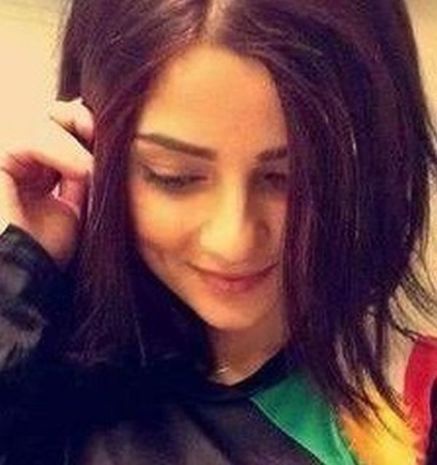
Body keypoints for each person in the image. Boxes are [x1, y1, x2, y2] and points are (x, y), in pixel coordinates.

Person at [0, 0, 436, 463]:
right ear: (91, 150)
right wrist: (20, 271)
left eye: (292, 178)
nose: (234, 242)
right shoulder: (40, 356)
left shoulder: (412, 402)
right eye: (174, 176)